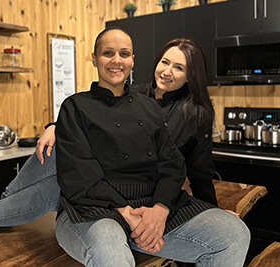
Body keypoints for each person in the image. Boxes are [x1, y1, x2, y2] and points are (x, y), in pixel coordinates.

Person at [0, 32, 230, 261]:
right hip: (102, 185)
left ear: (191, 76)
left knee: (61, 181)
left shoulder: (195, 114)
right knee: (62, 156)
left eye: (179, 68)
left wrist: (207, 211)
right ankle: (1, 207)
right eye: (165, 62)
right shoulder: (134, 92)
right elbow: (92, 114)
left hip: (144, 191)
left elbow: (198, 170)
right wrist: (56, 126)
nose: (167, 71)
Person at [53, 27, 250, 267]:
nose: (117, 60)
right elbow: (80, 176)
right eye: (108, 53)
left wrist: (160, 209)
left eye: (124, 54)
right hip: (93, 209)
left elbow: (173, 164)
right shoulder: (75, 107)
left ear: (132, 61)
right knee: (108, 240)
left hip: (149, 204)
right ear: (94, 58)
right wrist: (128, 215)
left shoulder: (149, 107)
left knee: (233, 233)